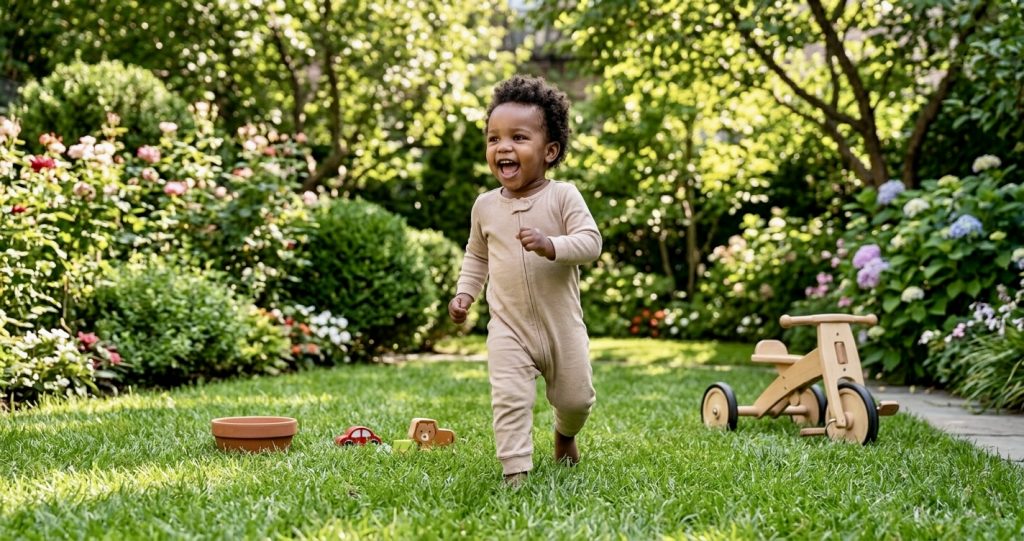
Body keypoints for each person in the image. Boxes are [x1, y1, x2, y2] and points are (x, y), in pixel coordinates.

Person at [448, 74, 602, 486]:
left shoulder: (563, 196)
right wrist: (465, 294)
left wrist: (552, 245)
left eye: (518, 137)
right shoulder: (484, 206)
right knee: (510, 398)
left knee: (576, 399)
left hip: (560, 327)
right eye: (494, 138)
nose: (503, 147)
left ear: (549, 151)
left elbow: (591, 243)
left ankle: (564, 431)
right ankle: (515, 472)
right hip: (509, 327)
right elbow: (476, 255)